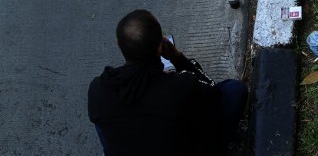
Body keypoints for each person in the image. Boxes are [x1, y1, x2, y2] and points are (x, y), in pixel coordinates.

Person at [88, 9, 248, 155]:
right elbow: (214, 94)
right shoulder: (182, 86)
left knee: (102, 114)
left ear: (118, 43)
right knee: (234, 90)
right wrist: (178, 58)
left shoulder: (98, 88)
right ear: (160, 46)